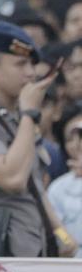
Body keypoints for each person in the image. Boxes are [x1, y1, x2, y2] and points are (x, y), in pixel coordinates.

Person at [0, 22, 78, 257]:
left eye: (32, 63)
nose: (30, 72)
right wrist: (30, 113)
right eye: (20, 64)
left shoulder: (18, 120)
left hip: (33, 252)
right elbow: (13, 178)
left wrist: (61, 234)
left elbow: (35, 186)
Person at [48, 108, 82, 258]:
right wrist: (66, 241)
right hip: (72, 263)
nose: (77, 145)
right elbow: (56, 226)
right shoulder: (58, 187)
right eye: (70, 140)